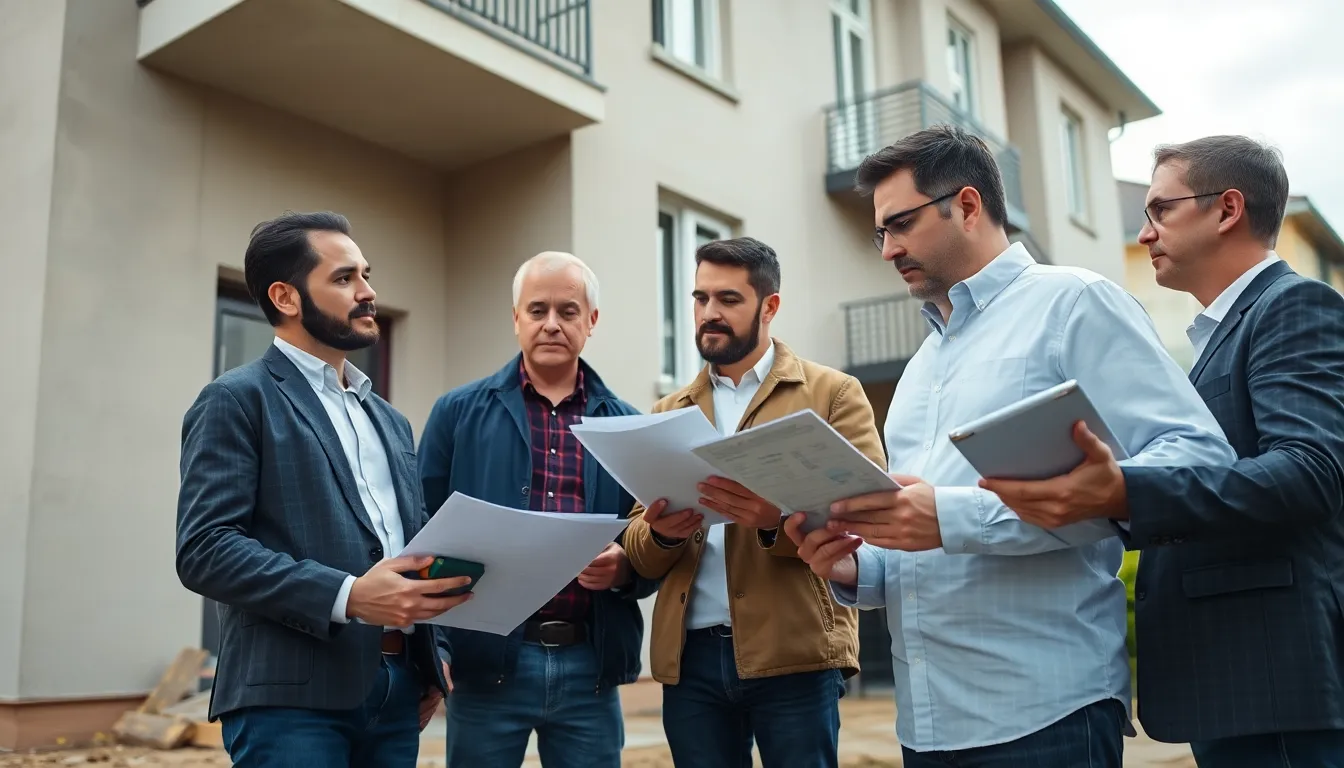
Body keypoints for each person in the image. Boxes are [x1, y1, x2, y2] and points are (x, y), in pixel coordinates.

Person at [784, 125, 1236, 768]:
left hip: (1045, 712)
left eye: (902, 224)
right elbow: (920, 544)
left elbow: (1196, 456)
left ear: (967, 205)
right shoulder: (917, 373)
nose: (888, 249)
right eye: (880, 232)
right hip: (926, 725)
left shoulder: (1074, 303)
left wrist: (951, 516)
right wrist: (854, 567)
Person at [982, 135, 1344, 767]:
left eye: (1159, 211)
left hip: (1278, 681)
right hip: (1240, 679)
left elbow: (1310, 473)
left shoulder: (1292, 307)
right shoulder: (1217, 337)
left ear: (1227, 209)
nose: (1145, 234)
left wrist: (1127, 490)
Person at [177, 211, 466, 767]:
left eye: (366, 275)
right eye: (344, 279)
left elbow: (418, 544)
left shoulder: (391, 420)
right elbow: (205, 550)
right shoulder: (237, 400)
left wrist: (434, 655)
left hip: (398, 689)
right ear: (285, 297)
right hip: (289, 702)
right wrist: (349, 594)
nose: (368, 292)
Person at [623, 236, 884, 768]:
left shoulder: (832, 393)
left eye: (728, 300)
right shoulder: (667, 410)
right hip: (689, 662)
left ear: (770, 306)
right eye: (700, 299)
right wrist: (663, 532)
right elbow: (639, 551)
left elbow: (866, 517)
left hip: (796, 655)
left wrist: (777, 519)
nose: (709, 314)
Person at [416, 251, 657, 768]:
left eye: (568, 311)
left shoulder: (626, 426)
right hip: (484, 665)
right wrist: (433, 651)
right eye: (537, 309)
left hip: (590, 668)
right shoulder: (456, 414)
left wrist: (625, 570)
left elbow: (654, 542)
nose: (552, 324)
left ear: (591, 322)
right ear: (516, 319)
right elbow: (419, 535)